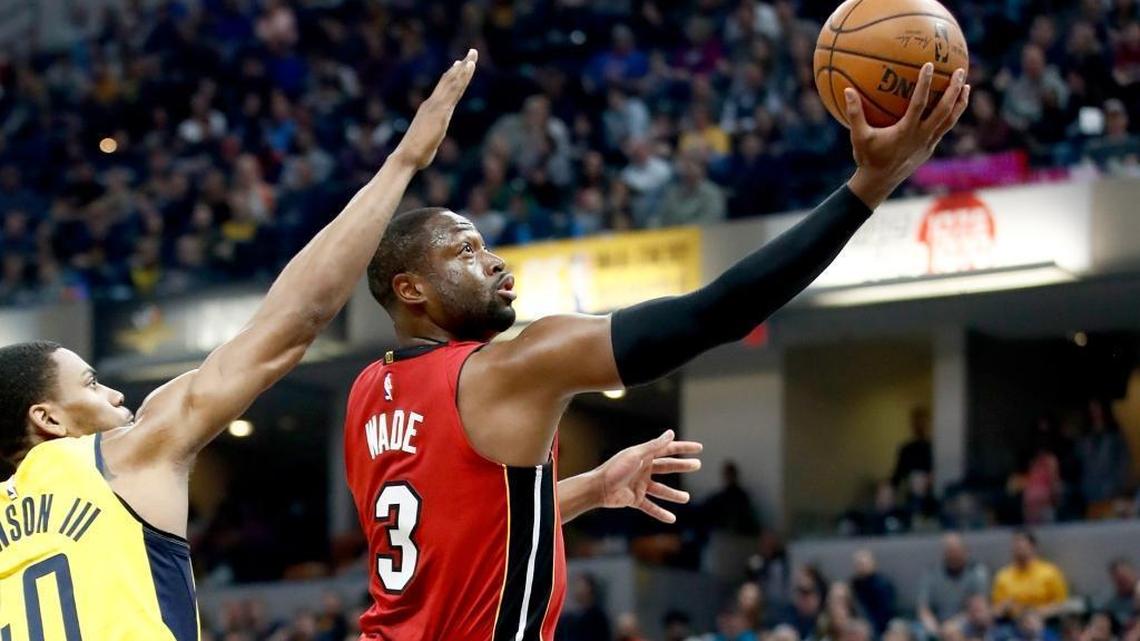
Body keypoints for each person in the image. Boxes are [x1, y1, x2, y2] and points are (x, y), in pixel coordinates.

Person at [343, 62, 970, 639]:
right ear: (411, 288)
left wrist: (591, 488)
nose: (494, 260)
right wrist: (868, 186)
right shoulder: (514, 366)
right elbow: (717, 312)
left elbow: (457, 535)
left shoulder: (366, 395)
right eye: (467, 251)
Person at [0, 52, 479, 639]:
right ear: (47, 417)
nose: (116, 391)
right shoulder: (121, 456)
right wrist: (404, 161)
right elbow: (294, 321)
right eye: (92, 383)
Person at [917, 533, 991, 634]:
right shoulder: (931, 573)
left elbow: (978, 608)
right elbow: (924, 608)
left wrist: (953, 624)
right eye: (949, 551)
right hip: (937, 623)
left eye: (956, 550)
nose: (953, 555)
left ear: (966, 551)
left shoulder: (977, 572)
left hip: (966, 622)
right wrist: (932, 626)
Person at [992, 530, 1070, 618]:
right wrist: (1004, 607)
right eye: (1015, 546)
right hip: (1012, 624)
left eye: (1021, 545)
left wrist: (1036, 614)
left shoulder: (1050, 572)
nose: (1018, 549)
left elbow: (1061, 605)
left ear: (1033, 547)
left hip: (1044, 621)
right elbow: (996, 609)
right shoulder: (1003, 576)